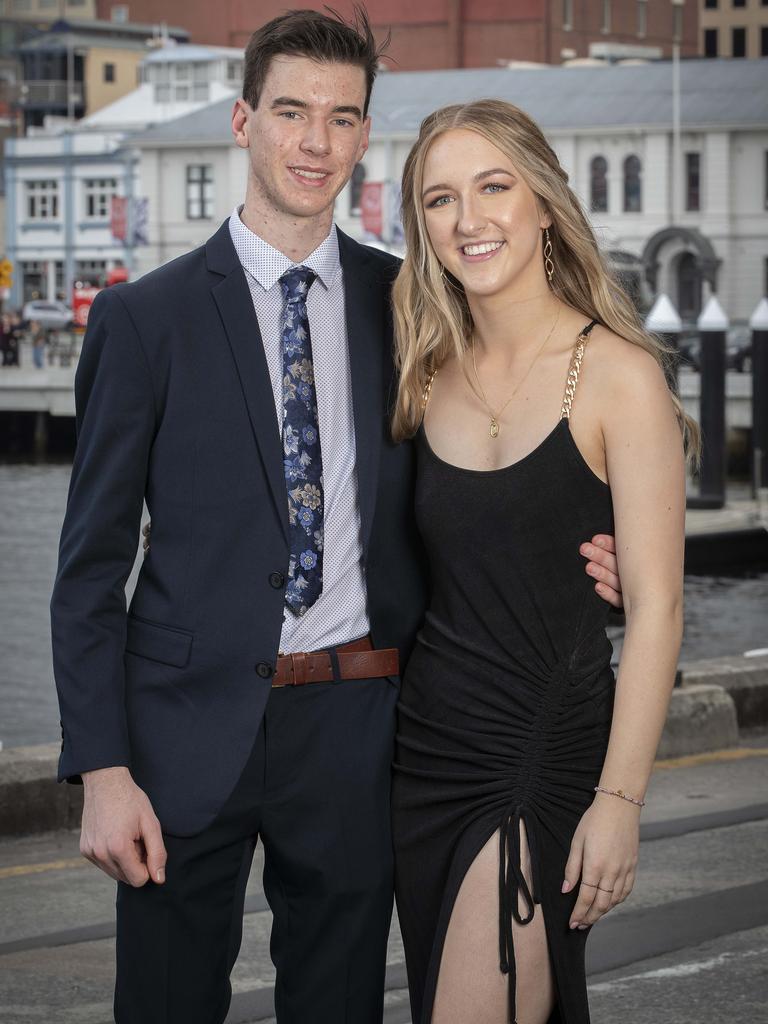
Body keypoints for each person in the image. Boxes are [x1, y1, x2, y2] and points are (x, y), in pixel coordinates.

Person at [51, 11, 623, 1023]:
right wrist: (102, 766)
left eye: (340, 116)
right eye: (291, 112)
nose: (315, 140)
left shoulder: (411, 307)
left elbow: (499, 446)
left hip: (360, 726)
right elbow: (89, 568)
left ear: (364, 137)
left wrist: (591, 548)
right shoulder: (147, 320)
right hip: (183, 734)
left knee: (339, 1005)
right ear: (242, 121)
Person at [389, 100, 696, 1024]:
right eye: (440, 199)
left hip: (541, 749)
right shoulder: (420, 367)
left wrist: (621, 801)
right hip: (424, 753)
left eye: (493, 186)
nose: (469, 219)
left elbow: (658, 611)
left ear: (545, 203)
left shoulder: (619, 376)